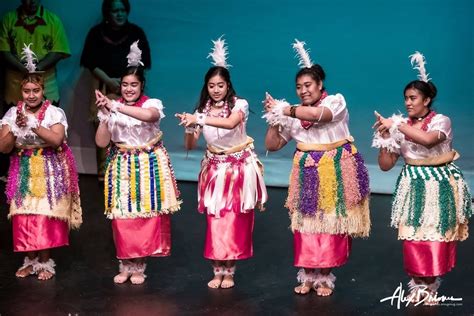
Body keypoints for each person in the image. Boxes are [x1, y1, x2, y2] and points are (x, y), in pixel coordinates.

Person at [263, 40, 370, 296]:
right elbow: (273, 145)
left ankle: (325, 276)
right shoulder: (294, 113)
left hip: (335, 170)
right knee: (307, 223)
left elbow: (322, 116)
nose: (303, 90)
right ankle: (307, 274)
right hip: (307, 170)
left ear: (320, 85)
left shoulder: (335, 102)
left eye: (308, 85)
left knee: (330, 222)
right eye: (298, 87)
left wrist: (286, 109)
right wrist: (275, 119)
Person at [372, 51, 472, 305]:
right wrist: (385, 139)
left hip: (439, 183)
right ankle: (418, 283)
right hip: (413, 183)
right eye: (405, 98)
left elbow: (428, 141)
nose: (408, 102)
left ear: (427, 100)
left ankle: (431, 284)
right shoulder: (401, 125)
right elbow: (385, 166)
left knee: (436, 234)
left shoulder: (441, 121)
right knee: (414, 235)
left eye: (413, 98)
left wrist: (396, 125)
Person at [175, 37, 267, 289]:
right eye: (211, 85)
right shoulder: (202, 108)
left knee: (234, 218)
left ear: (228, 86)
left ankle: (231, 269)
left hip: (238, 169)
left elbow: (230, 123)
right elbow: (191, 145)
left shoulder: (240, 105)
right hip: (215, 171)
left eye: (220, 85)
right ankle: (217, 270)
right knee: (216, 219)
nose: (216, 89)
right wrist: (189, 126)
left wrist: (199, 118)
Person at [95, 41, 180, 285]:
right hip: (121, 164)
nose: (129, 89)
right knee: (122, 215)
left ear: (142, 86)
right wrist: (105, 116)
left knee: (144, 214)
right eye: (124, 84)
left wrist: (116, 106)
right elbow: (102, 142)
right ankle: (125, 261)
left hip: (147, 165)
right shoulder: (112, 106)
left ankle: (139, 264)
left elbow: (149, 117)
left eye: (134, 84)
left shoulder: (151, 104)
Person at [0, 44, 81, 280]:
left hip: (49, 166)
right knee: (24, 213)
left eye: (36, 90)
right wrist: (16, 127)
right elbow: (4, 148)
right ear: (21, 91)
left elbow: (56, 140)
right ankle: (30, 260)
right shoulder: (12, 114)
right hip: (23, 167)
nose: (31, 95)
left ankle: (45, 263)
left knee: (44, 213)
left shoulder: (54, 113)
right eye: (27, 91)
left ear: (43, 89)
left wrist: (33, 124)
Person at [80, 0, 151, 180]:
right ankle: (104, 172)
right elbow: (89, 61)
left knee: (130, 125)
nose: (119, 14)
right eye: (115, 11)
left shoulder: (136, 32)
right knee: (104, 124)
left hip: (130, 87)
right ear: (107, 13)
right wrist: (110, 82)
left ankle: (132, 170)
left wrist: (127, 83)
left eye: (122, 10)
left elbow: (145, 63)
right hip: (104, 85)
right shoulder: (97, 33)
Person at [0, 0, 71, 107]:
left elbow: (59, 52)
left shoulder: (53, 20)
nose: (32, 1)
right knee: (14, 122)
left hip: (47, 89)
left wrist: (37, 68)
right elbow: (3, 51)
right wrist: (20, 67)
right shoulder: (8, 20)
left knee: (49, 122)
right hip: (15, 89)